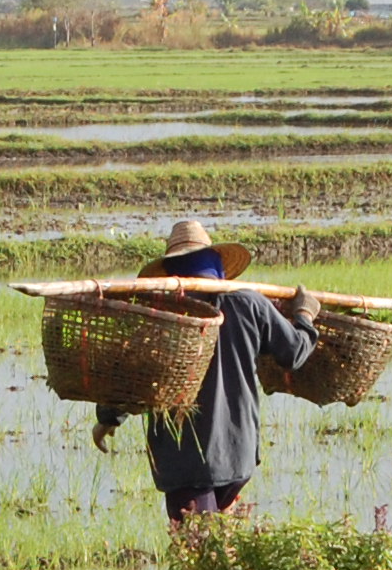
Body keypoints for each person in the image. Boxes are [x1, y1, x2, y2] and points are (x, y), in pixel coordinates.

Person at [92, 220, 322, 520]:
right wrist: (304, 314)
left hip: (184, 461)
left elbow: (134, 380)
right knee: (222, 549)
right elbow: (294, 352)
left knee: (198, 556)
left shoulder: (161, 313)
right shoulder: (250, 304)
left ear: (172, 272)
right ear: (216, 264)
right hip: (238, 455)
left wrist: (108, 418)